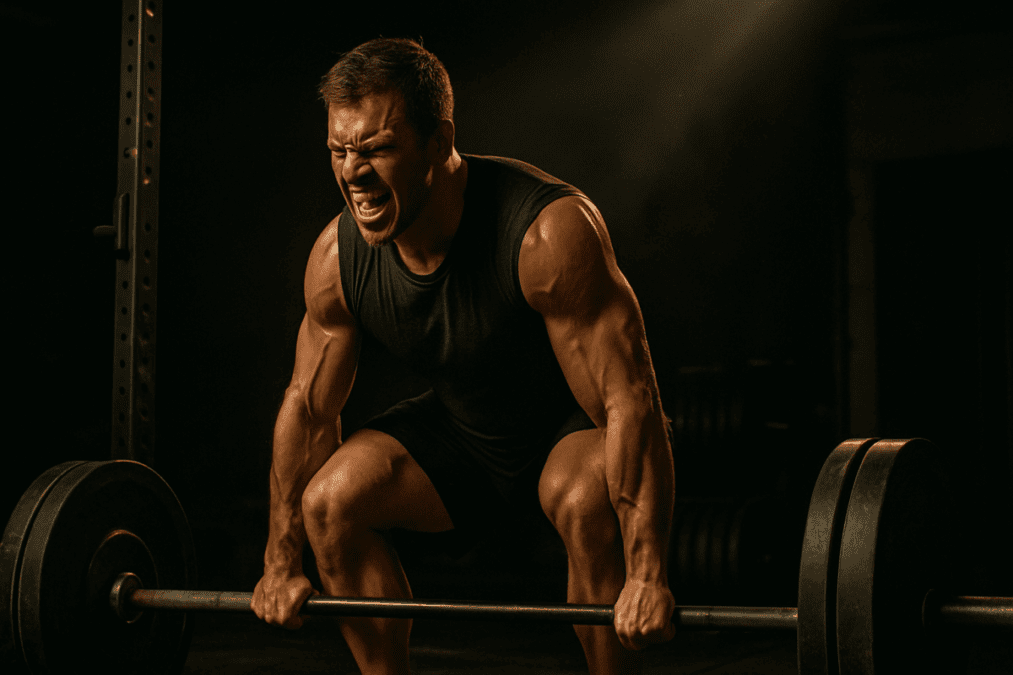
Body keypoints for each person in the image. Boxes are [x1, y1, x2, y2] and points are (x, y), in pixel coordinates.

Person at [251, 37, 676, 674]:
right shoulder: (337, 261)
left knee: (583, 495)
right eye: (339, 151)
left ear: (439, 139)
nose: (353, 174)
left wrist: (647, 574)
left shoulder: (546, 233)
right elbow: (309, 410)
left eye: (376, 149)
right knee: (328, 502)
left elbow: (629, 400)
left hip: (568, 434)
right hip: (463, 435)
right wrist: (279, 561)